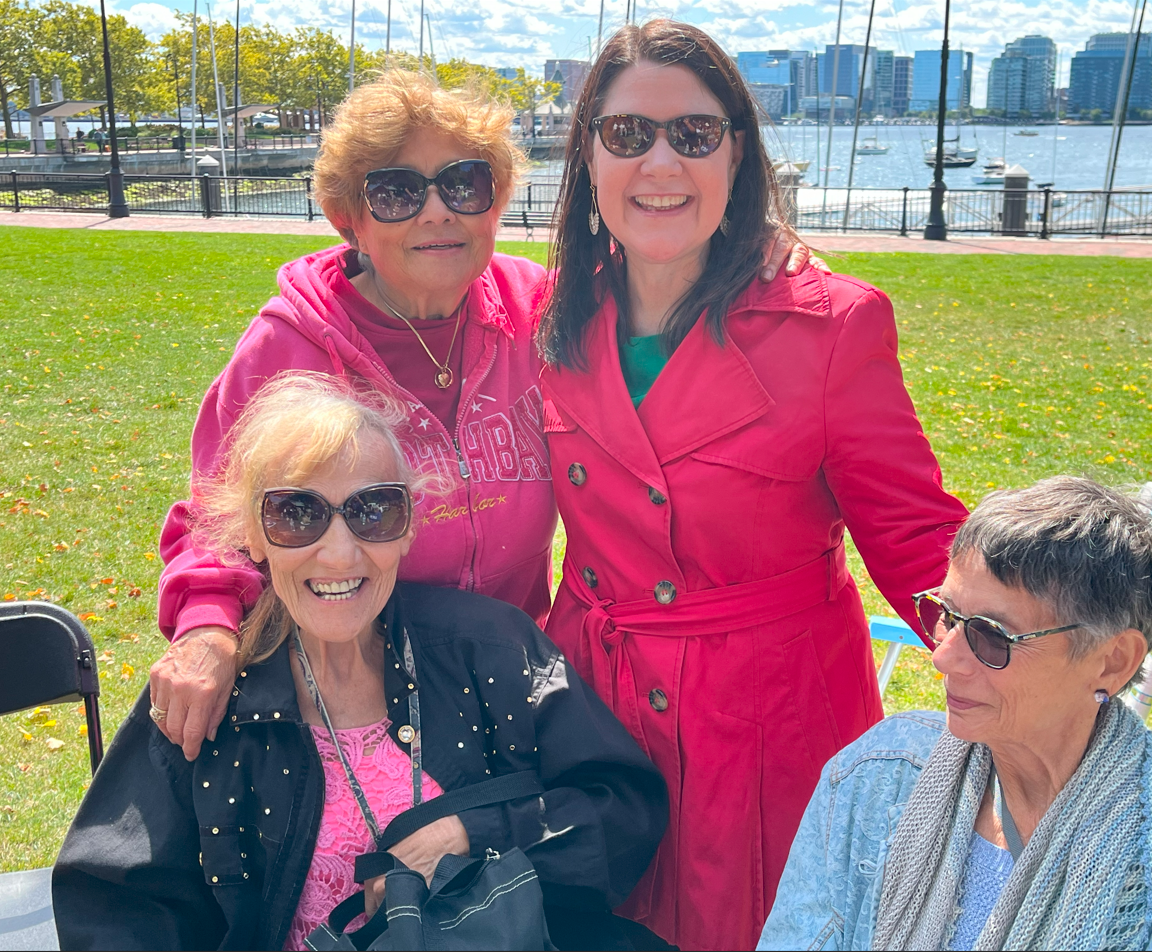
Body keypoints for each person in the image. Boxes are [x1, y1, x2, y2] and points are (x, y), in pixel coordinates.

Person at [150, 69, 814, 764]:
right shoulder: (291, 346)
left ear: (495, 203)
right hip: (347, 701)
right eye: (398, 192)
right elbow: (217, 519)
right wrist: (206, 629)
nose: (438, 212)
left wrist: (746, 249)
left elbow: (666, 273)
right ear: (350, 216)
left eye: (464, 184)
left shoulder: (546, 312)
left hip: (506, 685)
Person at [536, 20, 969, 951]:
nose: (659, 161)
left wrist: (1022, 667)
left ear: (738, 153)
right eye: (626, 135)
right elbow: (407, 275)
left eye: (693, 135)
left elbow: (916, 539)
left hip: (769, 727)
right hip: (594, 714)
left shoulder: (831, 327)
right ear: (587, 157)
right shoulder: (545, 312)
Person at [53, 374, 669, 951]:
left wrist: (468, 835)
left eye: (374, 511)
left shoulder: (494, 653)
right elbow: (114, 907)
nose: (340, 553)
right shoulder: (211, 695)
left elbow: (623, 809)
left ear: (408, 528)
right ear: (254, 536)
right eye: (296, 514)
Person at [759, 476, 1152, 951]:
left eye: (992, 635)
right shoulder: (874, 780)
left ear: (1112, 661)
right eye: (947, 616)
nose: (942, 656)